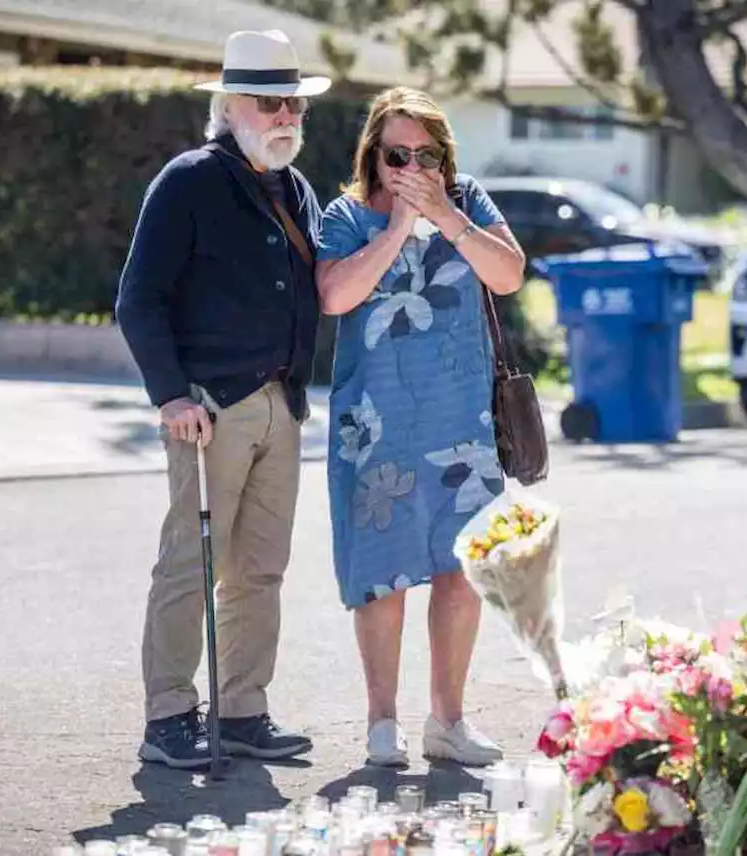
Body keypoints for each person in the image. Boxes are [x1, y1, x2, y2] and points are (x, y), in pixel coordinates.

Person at [115, 29, 326, 769]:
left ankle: (242, 710)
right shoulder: (189, 179)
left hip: (282, 403)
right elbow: (138, 300)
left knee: (261, 570)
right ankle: (169, 715)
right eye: (271, 104)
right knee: (189, 565)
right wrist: (171, 396)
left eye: (294, 104)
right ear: (231, 105)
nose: (286, 118)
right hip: (209, 407)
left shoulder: (296, 187)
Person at [315, 87, 527, 767]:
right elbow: (335, 295)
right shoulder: (347, 214)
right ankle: (383, 723)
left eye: (424, 154)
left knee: (459, 572)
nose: (409, 164)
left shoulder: (469, 202)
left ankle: (448, 721)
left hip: (460, 420)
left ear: (445, 157)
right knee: (382, 575)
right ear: (373, 156)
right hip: (375, 425)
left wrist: (445, 216)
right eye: (396, 153)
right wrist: (401, 229)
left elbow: (510, 275)